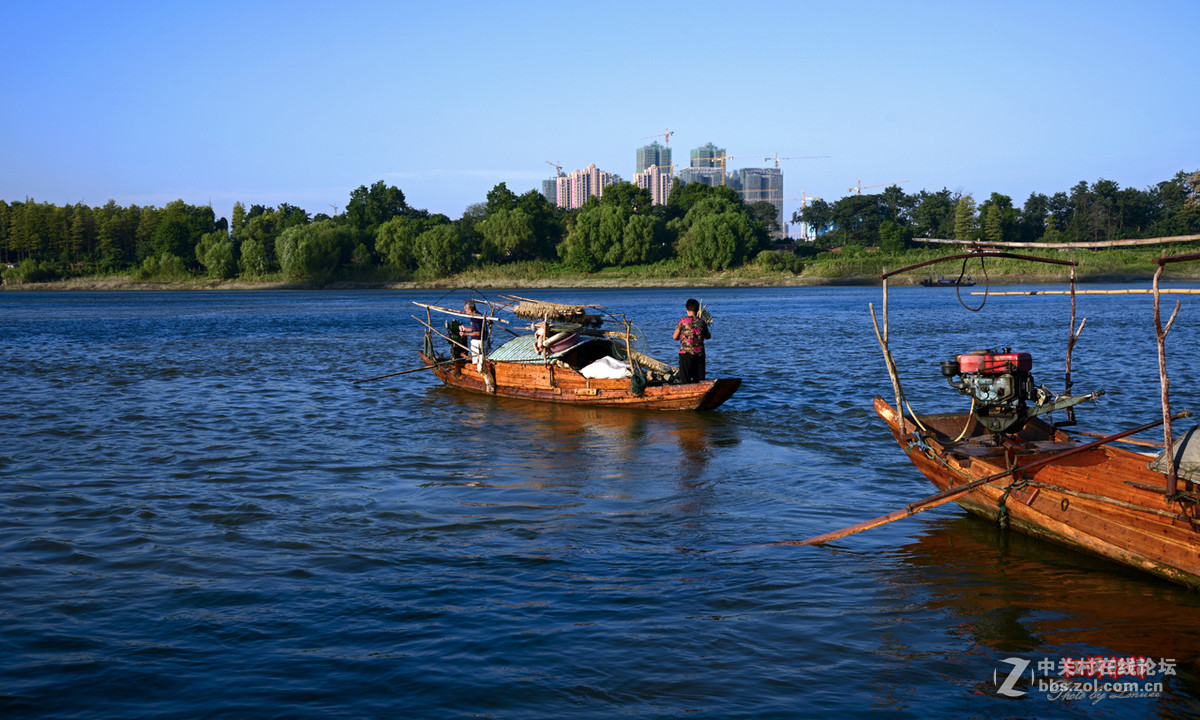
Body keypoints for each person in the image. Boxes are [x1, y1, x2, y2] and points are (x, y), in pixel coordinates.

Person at [673, 298, 711, 383]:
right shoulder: (702, 322)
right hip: (699, 355)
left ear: (686, 309)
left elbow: (675, 337)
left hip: (685, 354)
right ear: (697, 310)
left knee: (685, 381)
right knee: (699, 381)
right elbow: (708, 336)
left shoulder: (682, 320)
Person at [460, 300, 489, 370]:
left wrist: (465, 334)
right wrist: (465, 329)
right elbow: (475, 329)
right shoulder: (480, 315)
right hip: (483, 341)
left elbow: (477, 333)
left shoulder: (475, 318)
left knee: (476, 361)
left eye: (466, 311)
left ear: (470, 309)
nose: (466, 313)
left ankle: (477, 373)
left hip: (477, 342)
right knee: (482, 360)